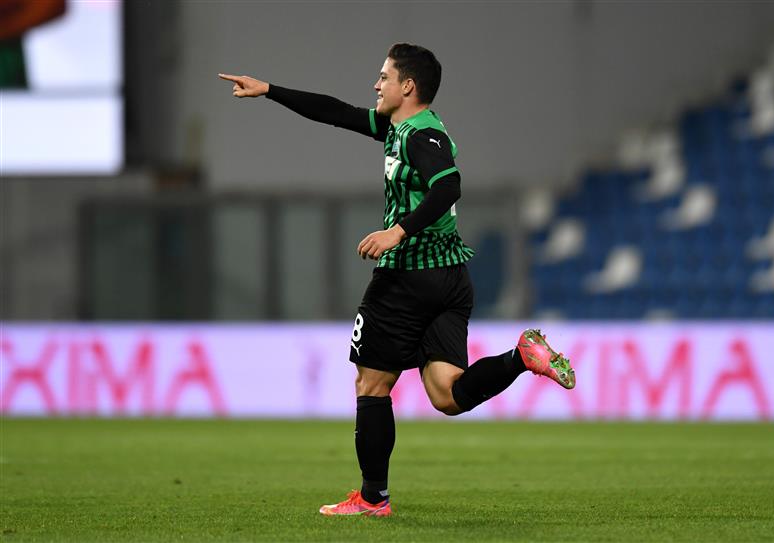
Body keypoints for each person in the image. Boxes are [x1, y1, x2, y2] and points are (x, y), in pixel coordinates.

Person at [219, 43, 575, 518]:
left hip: (409, 277)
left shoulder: (421, 135)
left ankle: (372, 499)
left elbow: (449, 185)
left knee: (371, 384)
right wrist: (270, 91)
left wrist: (396, 231)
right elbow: (337, 112)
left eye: (383, 76)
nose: (376, 84)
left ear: (407, 86)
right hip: (450, 277)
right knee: (447, 394)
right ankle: (521, 356)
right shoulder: (398, 126)